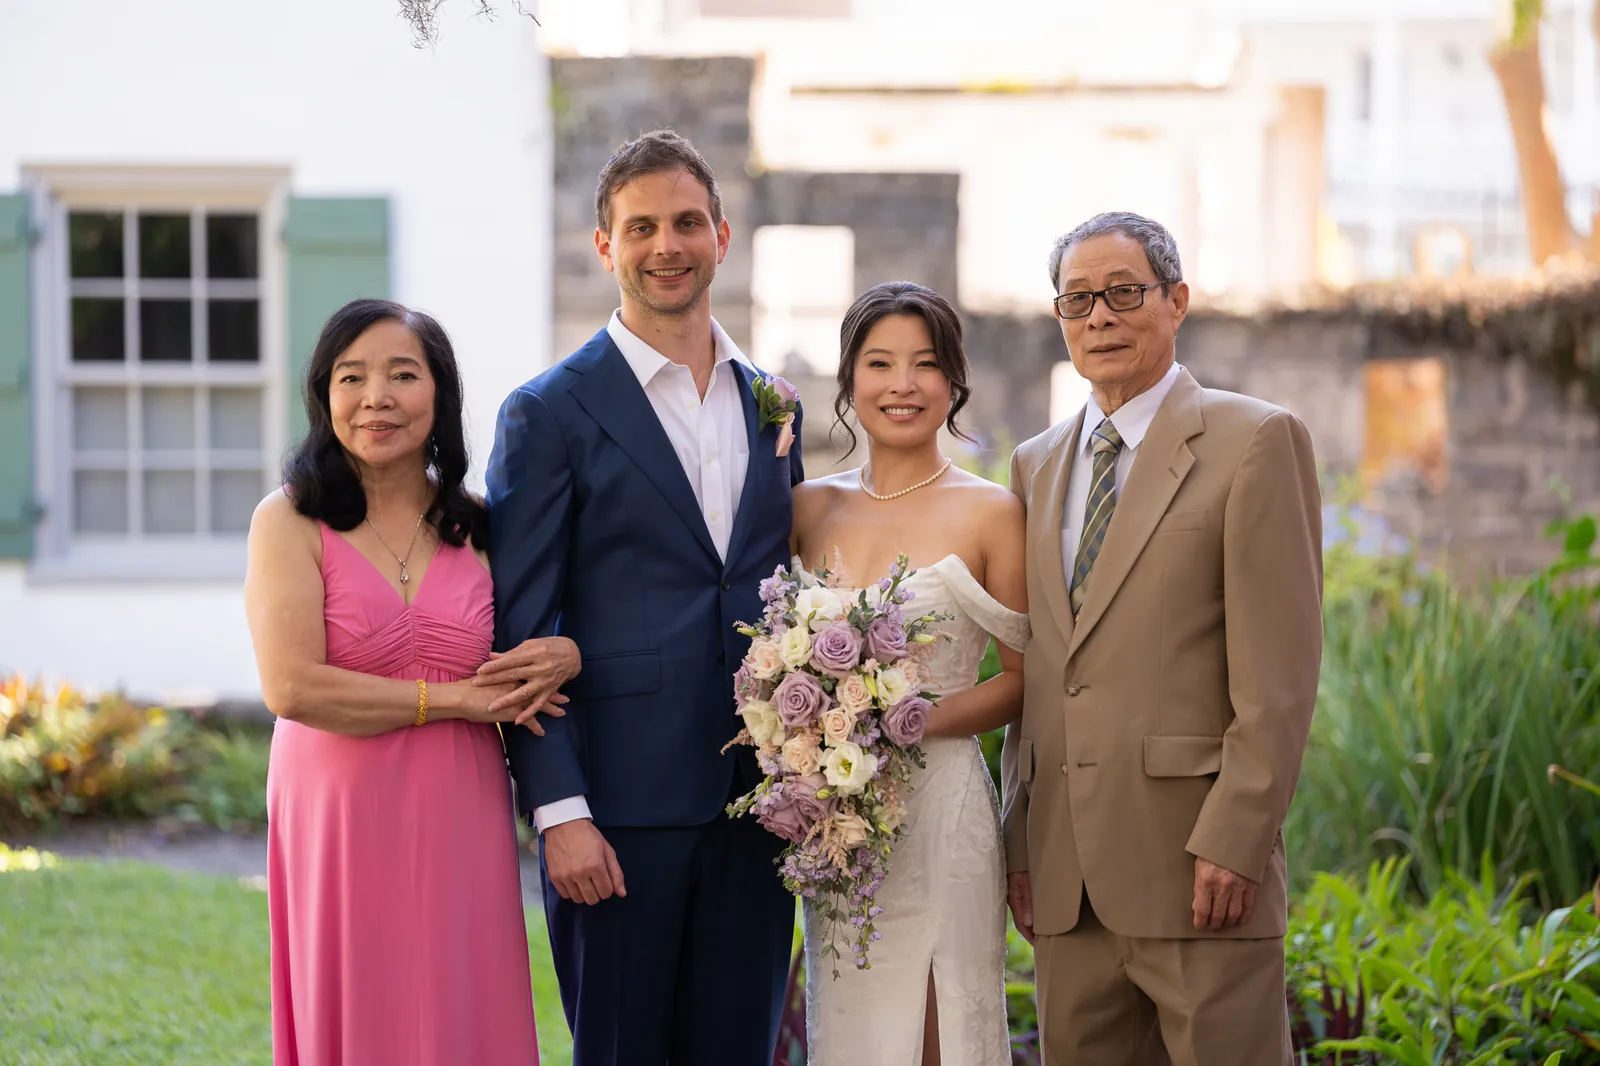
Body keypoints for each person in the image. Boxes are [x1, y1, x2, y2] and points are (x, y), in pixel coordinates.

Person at [484, 129, 804, 1066]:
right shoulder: (547, 412)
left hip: (759, 812)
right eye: (642, 227)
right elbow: (521, 631)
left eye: (688, 223)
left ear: (722, 237)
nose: (668, 245)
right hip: (617, 815)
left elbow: (773, 589)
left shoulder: (772, 404)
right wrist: (561, 813)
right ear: (605, 246)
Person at [1002, 211, 1323, 1065]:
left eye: (1123, 292)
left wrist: (1236, 839)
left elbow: (1281, 677)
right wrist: (1019, 838)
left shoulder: (1255, 440)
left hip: (1200, 873)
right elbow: (1040, 670)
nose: (1100, 317)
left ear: (1176, 301)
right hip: (1066, 881)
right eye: (1078, 300)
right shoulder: (1035, 464)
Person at [246, 298, 572, 1065]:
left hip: (458, 801)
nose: (376, 398)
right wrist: (454, 700)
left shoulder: (485, 525)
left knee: (457, 996)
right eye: (351, 377)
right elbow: (292, 688)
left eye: (402, 375)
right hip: (336, 806)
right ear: (325, 396)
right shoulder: (287, 521)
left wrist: (568, 652)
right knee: (359, 998)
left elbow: (546, 631)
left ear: (440, 394)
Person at [791, 281, 1028, 1065]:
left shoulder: (992, 511)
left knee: (939, 1030)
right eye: (880, 363)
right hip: (839, 826)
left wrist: (905, 720)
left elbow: (1026, 678)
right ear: (849, 378)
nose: (903, 384)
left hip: (942, 816)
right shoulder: (806, 507)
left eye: (925, 364)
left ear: (954, 380)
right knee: (850, 1029)